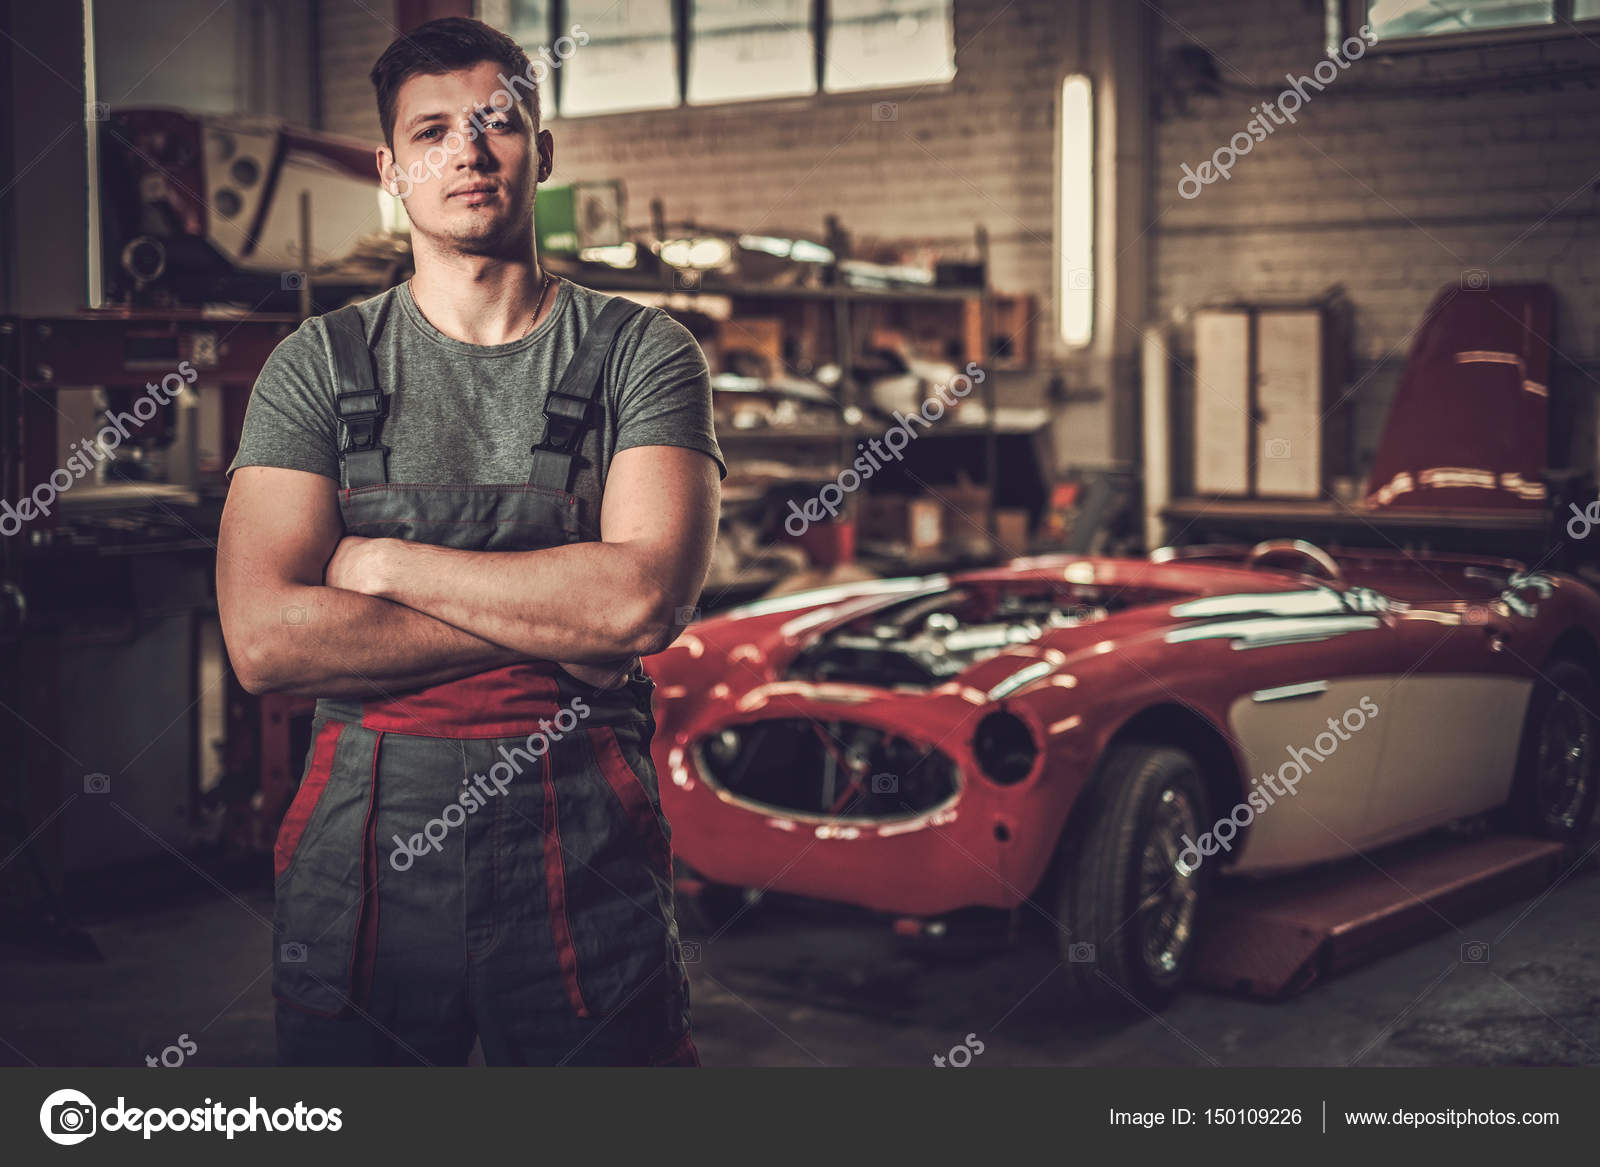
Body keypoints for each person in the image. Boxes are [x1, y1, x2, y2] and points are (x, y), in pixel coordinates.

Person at [216, 16, 723, 1066]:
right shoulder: (316, 366)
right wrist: (560, 620)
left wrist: (383, 564)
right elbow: (266, 641)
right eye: (434, 131)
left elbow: (637, 606)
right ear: (391, 171)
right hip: (364, 832)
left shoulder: (644, 355)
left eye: (496, 124)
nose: (468, 151)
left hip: (579, 824)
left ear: (545, 147)